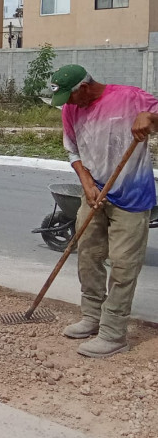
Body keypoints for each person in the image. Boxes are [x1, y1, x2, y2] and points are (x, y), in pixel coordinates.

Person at [51, 64, 158, 358]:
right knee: (88, 256)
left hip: (132, 196)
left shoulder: (131, 97)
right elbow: (72, 149)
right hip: (95, 192)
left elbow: (156, 118)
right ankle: (91, 317)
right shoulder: (70, 109)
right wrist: (86, 182)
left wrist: (151, 117)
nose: (68, 105)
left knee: (124, 266)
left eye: (70, 98)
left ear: (83, 88)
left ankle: (113, 334)